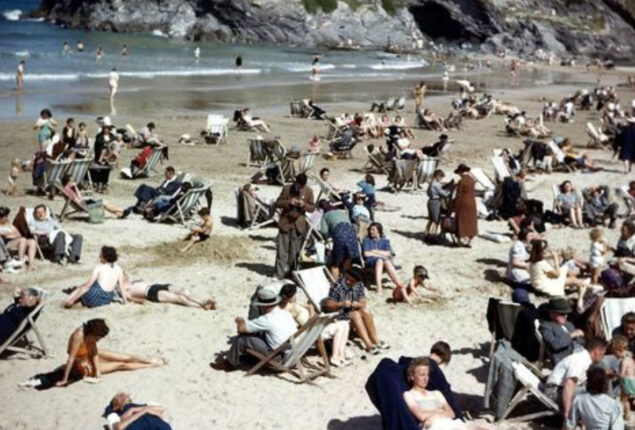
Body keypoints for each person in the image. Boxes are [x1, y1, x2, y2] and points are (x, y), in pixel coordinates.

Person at [19, 319, 166, 389]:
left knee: (125, 356)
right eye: (97, 337)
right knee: (121, 365)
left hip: (89, 356)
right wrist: (65, 379)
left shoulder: (91, 337)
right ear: (91, 333)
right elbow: (70, 360)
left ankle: (150, 360)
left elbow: (94, 351)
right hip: (82, 363)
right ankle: (151, 366)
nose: (97, 339)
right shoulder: (79, 336)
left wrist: (99, 372)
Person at [211, 288, 296, 371]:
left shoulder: (267, 319)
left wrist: (240, 321)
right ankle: (249, 358)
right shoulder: (286, 314)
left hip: (278, 358)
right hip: (293, 355)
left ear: (263, 306)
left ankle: (229, 364)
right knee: (260, 334)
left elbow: (241, 329)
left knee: (242, 339)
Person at [403, 357, 490, 430]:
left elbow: (452, 413)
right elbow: (421, 416)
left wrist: (432, 415)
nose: (426, 378)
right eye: (422, 375)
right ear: (412, 376)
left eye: (427, 375)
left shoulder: (436, 393)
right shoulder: (409, 394)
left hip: (450, 424)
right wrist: (440, 411)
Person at [323, 268, 388, 355]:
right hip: (336, 313)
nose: (348, 282)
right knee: (355, 314)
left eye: (352, 281)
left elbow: (363, 302)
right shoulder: (337, 286)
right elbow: (328, 305)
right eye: (347, 279)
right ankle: (368, 344)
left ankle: (375, 340)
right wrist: (341, 304)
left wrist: (357, 304)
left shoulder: (359, 285)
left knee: (365, 311)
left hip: (351, 309)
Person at [544, 337, 608, 424]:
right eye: (602, 354)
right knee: (593, 393)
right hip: (554, 391)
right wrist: (567, 413)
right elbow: (569, 384)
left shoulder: (585, 360)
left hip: (561, 390)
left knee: (597, 389)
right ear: (596, 351)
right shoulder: (580, 360)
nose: (602, 357)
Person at [274, 173, 315, 279]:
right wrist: (289, 202)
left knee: (295, 252)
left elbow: (312, 208)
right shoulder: (287, 188)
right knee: (281, 250)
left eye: (302, 186)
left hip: (298, 224)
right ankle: (278, 274)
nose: (300, 187)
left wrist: (304, 205)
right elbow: (278, 203)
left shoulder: (309, 191)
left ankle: (291, 274)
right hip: (286, 222)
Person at [121, 272, 216, 310]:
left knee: (183, 291)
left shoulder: (130, 281)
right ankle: (201, 307)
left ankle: (203, 302)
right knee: (179, 298)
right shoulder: (125, 292)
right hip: (151, 294)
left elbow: (124, 272)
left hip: (155, 286)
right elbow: (141, 301)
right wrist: (133, 301)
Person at [539, 297, 585, 365]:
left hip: (579, 355)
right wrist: (571, 335)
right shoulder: (546, 326)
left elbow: (580, 342)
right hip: (565, 360)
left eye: (566, 313)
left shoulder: (569, 324)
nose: (566, 316)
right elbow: (555, 345)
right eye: (562, 314)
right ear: (552, 313)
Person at [362, 222, 405, 294]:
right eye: (370, 229)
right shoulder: (367, 240)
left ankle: (398, 284)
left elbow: (388, 253)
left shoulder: (384, 240)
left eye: (373, 230)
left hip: (383, 260)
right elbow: (366, 254)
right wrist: (380, 254)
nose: (370, 231)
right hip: (370, 262)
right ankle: (379, 287)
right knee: (380, 260)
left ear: (378, 231)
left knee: (386, 261)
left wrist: (374, 251)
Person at [60, 174, 124, 217]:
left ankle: (119, 214)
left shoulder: (67, 188)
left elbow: (78, 198)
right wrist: (75, 187)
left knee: (104, 203)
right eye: (72, 180)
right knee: (104, 203)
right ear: (68, 182)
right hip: (85, 205)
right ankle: (122, 210)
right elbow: (79, 200)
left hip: (84, 203)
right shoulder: (68, 190)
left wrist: (75, 187)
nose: (73, 181)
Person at [104, 392, 172, 430]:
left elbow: (161, 408)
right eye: (120, 396)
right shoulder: (115, 415)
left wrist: (134, 410)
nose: (125, 395)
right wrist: (143, 411)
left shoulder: (142, 405)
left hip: (158, 425)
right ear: (116, 406)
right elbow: (118, 427)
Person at [452, 164, 477, 247]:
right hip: (472, 202)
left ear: (461, 172)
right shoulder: (472, 180)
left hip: (463, 203)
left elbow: (459, 195)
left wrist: (455, 206)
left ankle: (460, 240)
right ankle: (471, 240)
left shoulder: (461, 181)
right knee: (471, 222)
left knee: (461, 221)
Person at [610, 335, 635, 420]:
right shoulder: (630, 359)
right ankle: (627, 415)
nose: (614, 355)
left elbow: (622, 375)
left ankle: (620, 416)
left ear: (620, 350)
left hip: (627, 383)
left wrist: (614, 374)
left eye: (614, 352)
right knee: (626, 399)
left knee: (622, 400)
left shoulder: (624, 361)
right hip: (632, 381)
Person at [425, 169, 449, 239]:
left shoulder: (431, 183)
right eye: (441, 178)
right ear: (438, 176)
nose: (441, 179)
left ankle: (426, 233)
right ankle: (433, 234)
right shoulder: (436, 184)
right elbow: (444, 194)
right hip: (435, 202)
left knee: (431, 219)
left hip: (430, 201)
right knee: (436, 220)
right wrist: (448, 192)